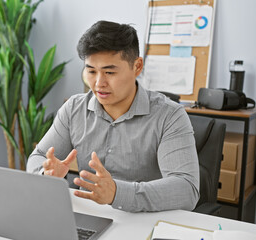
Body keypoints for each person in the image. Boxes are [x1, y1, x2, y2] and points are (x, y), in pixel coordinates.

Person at [26, 20, 200, 212]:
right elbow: (38, 156)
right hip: (89, 217)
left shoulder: (170, 116)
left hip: (145, 221)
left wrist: (117, 193)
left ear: (137, 66)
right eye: (91, 71)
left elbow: (186, 189)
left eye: (109, 72)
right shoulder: (74, 108)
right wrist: (46, 172)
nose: (99, 83)